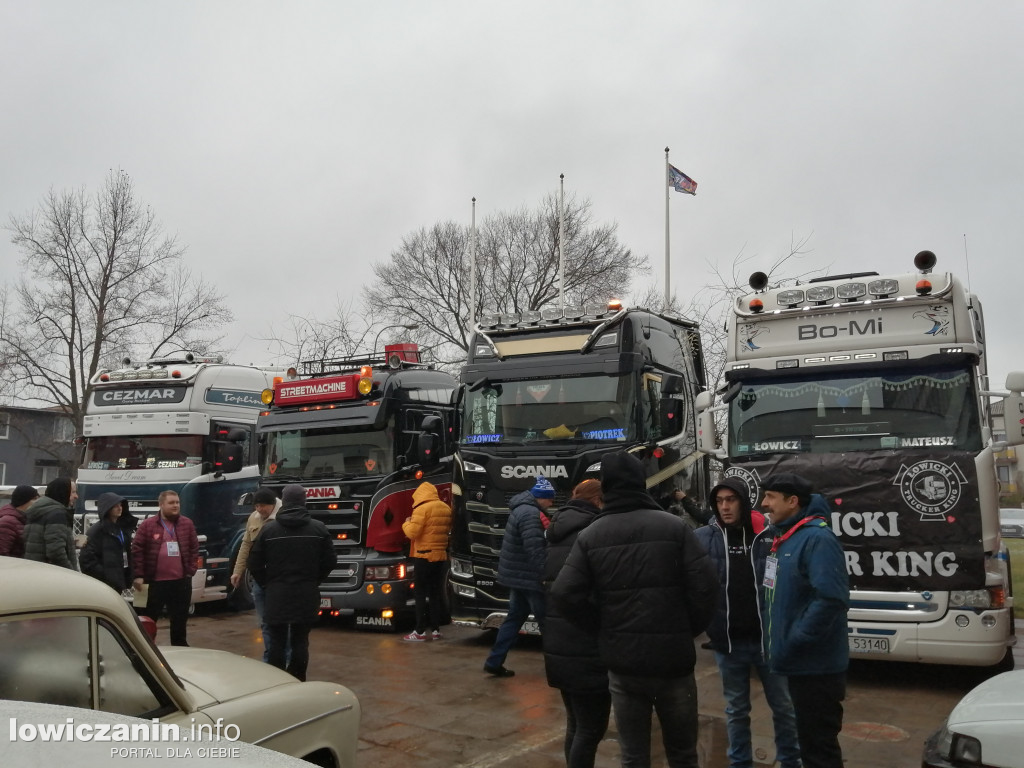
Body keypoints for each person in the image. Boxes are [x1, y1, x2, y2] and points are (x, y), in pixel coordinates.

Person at [551, 451, 718, 768]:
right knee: (683, 754)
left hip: (624, 663)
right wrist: (686, 629)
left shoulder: (591, 535)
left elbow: (563, 593)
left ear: (607, 487)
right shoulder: (675, 527)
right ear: (641, 483)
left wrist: (602, 628)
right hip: (674, 661)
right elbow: (706, 587)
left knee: (634, 756)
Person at [694, 478, 801, 768]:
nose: (725, 507)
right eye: (719, 501)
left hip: (769, 642)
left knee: (783, 708)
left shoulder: (770, 534)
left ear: (744, 500)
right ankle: (740, 763)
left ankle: (791, 761)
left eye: (731, 500)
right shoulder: (704, 537)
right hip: (728, 643)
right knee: (736, 710)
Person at [760, 473, 849, 768]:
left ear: (793, 501)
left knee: (819, 750)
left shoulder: (817, 538)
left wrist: (797, 638)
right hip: (800, 665)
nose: (765, 504)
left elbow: (831, 599)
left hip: (816, 668)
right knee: (810, 746)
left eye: (771, 497)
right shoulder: (787, 538)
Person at [542, 478, 610, 768]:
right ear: (597, 502)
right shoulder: (593, 533)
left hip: (559, 643)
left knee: (576, 723)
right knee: (591, 727)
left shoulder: (556, 531)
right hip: (585, 647)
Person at [247, 484, 336, 681]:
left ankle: (278, 682)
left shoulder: (269, 530)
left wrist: (267, 583)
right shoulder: (318, 529)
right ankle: (297, 680)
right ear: (304, 501)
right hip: (306, 594)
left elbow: (253, 562)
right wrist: (314, 580)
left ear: (284, 502)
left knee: (276, 641)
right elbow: (330, 561)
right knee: (300, 641)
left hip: (276, 594)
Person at [483, 474, 554, 677]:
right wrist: (544, 575)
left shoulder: (521, 509)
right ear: (541, 496)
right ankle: (556, 667)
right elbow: (535, 548)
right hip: (530, 578)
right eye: (550, 498)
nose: (551, 503)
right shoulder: (531, 514)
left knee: (514, 619)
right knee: (547, 623)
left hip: (518, 577)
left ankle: (494, 661)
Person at [132, 490, 199, 646]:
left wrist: (191, 570)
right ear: (161, 504)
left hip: (180, 582)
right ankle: (145, 649)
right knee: (147, 620)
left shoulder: (186, 524)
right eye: (171, 503)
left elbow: (194, 548)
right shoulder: (148, 525)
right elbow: (137, 550)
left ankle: (180, 649)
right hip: (153, 582)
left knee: (179, 622)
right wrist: (138, 575)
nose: (175, 506)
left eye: (177, 502)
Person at [230, 487, 282, 661]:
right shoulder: (254, 518)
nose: (260, 510)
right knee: (264, 622)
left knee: (282, 623)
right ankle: (270, 658)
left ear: (273, 505)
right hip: (259, 579)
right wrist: (238, 571)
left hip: (279, 580)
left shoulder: (283, 517)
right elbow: (246, 545)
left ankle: (284, 659)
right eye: (257, 506)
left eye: (263, 506)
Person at [401, 481, 453, 642]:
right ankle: (436, 630)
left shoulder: (421, 509)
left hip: (423, 557)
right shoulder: (446, 508)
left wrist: (407, 522)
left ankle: (420, 631)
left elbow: (412, 533)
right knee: (435, 593)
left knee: (420, 594)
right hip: (441, 557)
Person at [79, 492, 138, 593]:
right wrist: (107, 575)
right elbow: (87, 560)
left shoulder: (122, 529)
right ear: (107, 508)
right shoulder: (96, 531)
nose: (120, 508)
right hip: (103, 584)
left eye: (121, 505)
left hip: (119, 579)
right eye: (115, 506)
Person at [23, 477, 80, 570]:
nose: (76, 496)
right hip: (53, 575)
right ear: (62, 492)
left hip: (35, 570)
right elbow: (56, 551)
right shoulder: (57, 514)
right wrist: (71, 571)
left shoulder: (40, 511)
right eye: (73, 492)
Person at [0, 485, 39, 558]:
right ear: (24, 500)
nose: (37, 502)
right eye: (34, 499)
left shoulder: (24, 518)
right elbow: (2, 553)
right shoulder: (7, 522)